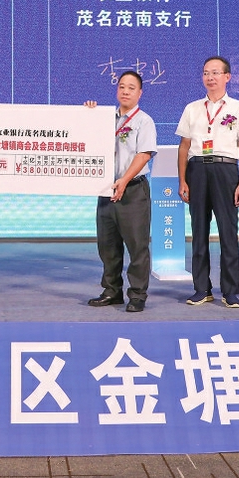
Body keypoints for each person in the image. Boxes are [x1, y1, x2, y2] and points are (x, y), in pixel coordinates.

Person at [176, 56, 239, 309]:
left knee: (228, 233)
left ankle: (230, 291)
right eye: (205, 73)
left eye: (215, 73)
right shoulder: (192, 108)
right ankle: (202, 289)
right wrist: (182, 180)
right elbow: (184, 147)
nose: (210, 77)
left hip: (226, 170)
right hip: (197, 170)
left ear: (227, 76)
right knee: (199, 232)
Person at [85, 71, 157, 313]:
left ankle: (137, 295)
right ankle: (112, 291)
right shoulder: (105, 118)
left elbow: (144, 154)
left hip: (133, 189)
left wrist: (124, 181)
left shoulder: (144, 121)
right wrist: (89, 114)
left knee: (137, 246)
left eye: (131, 88)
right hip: (106, 189)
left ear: (140, 93)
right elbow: (86, 139)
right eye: (122, 86)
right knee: (108, 245)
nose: (125, 91)